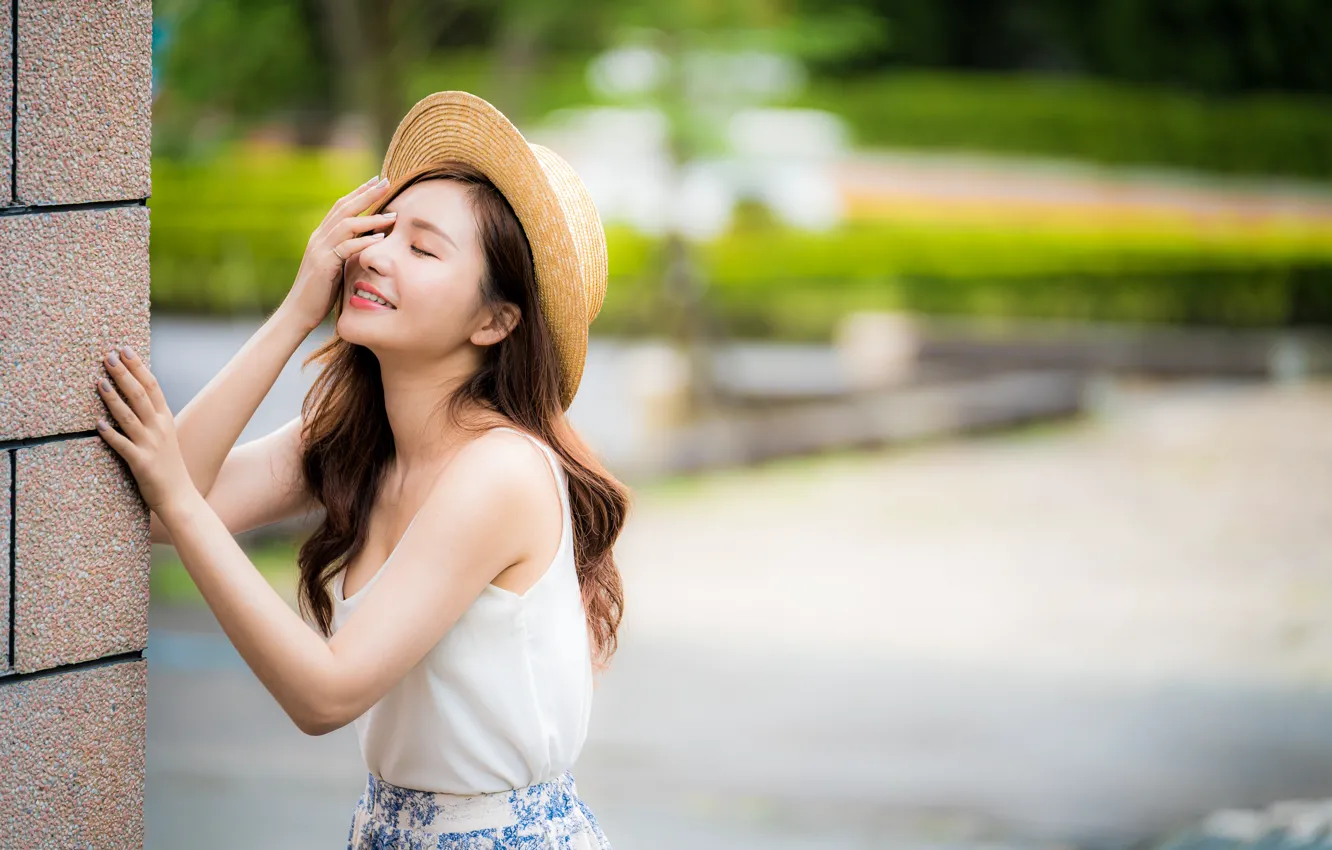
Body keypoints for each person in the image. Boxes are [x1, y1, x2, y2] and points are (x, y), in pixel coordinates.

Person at [93, 91, 627, 847]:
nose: (371, 254)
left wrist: (180, 501)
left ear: (495, 321)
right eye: (383, 229)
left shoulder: (501, 471)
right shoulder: (356, 439)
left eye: (423, 248)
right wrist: (294, 313)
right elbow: (151, 505)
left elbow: (326, 692)